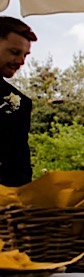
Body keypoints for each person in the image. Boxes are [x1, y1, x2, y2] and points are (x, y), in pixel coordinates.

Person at [0, 17, 37, 187]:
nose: (21, 62)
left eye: (25, 55)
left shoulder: (20, 104)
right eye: (15, 52)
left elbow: (19, 168)